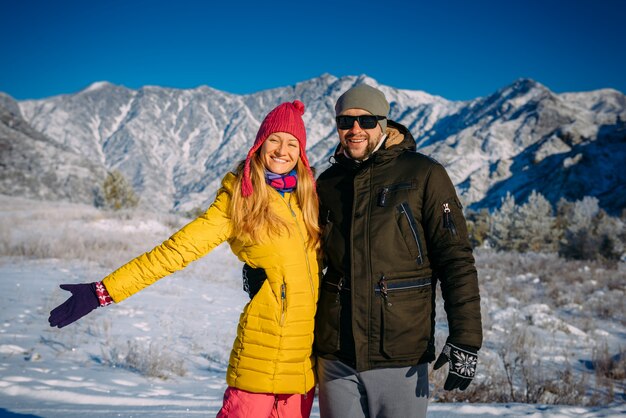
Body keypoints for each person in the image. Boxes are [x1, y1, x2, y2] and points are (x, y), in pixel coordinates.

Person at [48, 100, 322, 418]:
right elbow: (175, 251)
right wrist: (103, 290)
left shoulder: (308, 201)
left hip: (304, 364)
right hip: (260, 357)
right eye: (274, 139)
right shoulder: (239, 199)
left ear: (301, 152)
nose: (281, 150)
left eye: (292, 143)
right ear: (259, 145)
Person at [245, 84, 483, 417]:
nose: (355, 129)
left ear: (383, 124)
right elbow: (306, 250)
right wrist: (263, 265)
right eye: (345, 121)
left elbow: (456, 260)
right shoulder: (326, 183)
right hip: (335, 354)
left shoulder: (424, 174)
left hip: (399, 352)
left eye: (367, 120)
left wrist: (466, 337)